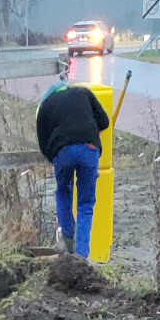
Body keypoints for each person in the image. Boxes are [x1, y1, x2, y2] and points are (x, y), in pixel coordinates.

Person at [36, 61, 109, 259]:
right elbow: (104, 121)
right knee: (86, 204)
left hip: (63, 152)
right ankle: (82, 256)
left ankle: (68, 238)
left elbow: (43, 143)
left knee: (63, 192)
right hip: (90, 149)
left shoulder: (45, 106)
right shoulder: (83, 93)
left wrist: (55, 159)